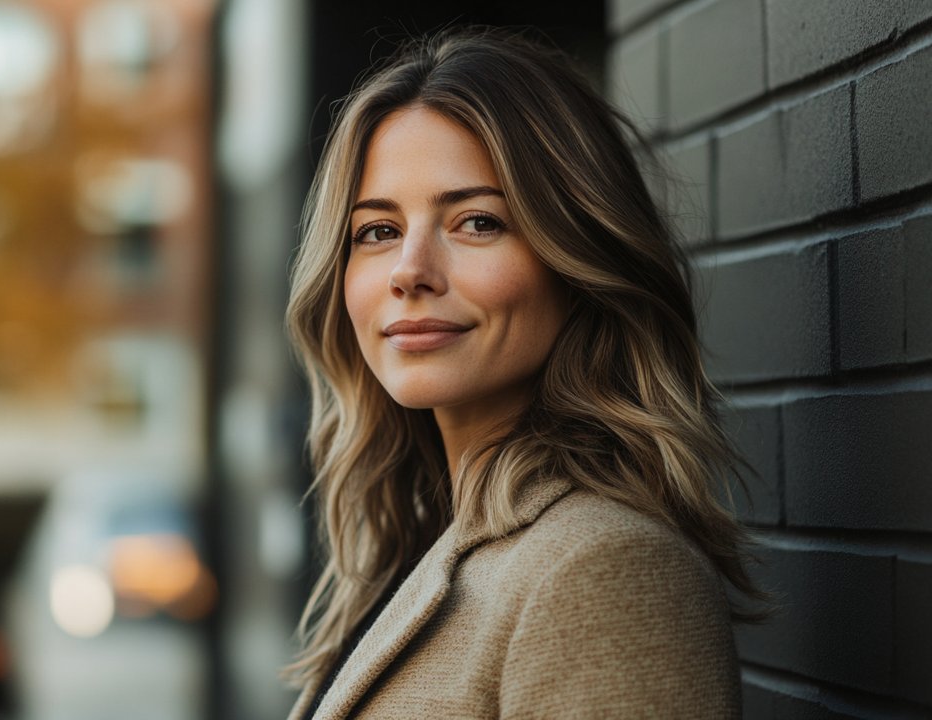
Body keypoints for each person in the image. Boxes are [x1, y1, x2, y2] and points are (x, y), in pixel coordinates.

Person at [284, 27, 759, 719]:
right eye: (377, 231)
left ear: (577, 259)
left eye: (477, 222)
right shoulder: (426, 551)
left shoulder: (604, 571)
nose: (410, 272)